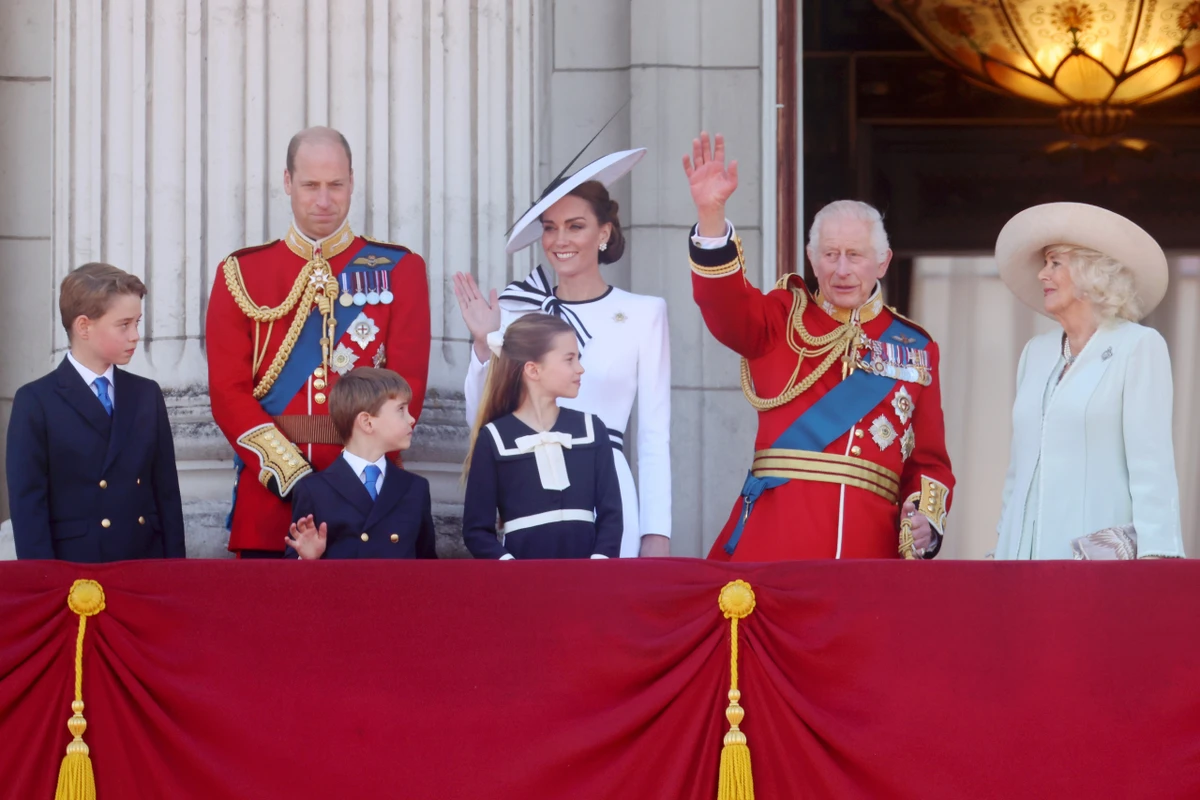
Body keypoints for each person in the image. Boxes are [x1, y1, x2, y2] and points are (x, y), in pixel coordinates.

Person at [683, 132, 954, 560]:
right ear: (811, 258)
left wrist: (926, 521)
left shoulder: (915, 347)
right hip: (776, 544)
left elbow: (930, 461)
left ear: (883, 261)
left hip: (870, 552)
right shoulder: (781, 318)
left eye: (855, 255)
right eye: (830, 255)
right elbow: (725, 305)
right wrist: (711, 216)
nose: (841, 270)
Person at [206, 126, 432, 558]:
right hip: (272, 503)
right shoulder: (241, 274)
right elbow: (227, 393)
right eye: (310, 185)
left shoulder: (398, 269)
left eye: (337, 185)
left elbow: (408, 385)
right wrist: (293, 475)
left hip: (370, 504)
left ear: (352, 181)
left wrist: (345, 479)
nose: (324, 200)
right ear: (287, 182)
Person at [453, 147, 671, 558]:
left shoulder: (645, 313)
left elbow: (655, 436)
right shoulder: (516, 310)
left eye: (575, 226)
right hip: (527, 488)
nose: (560, 240)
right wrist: (483, 345)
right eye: (550, 228)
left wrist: (656, 533)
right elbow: (480, 420)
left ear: (604, 232)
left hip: (608, 492)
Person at [992, 202, 1185, 560]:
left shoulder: (1138, 347)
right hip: (1020, 563)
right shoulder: (1036, 353)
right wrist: (1000, 550)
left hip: (1095, 565)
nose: (1042, 275)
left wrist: (1157, 559)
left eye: (1054, 263)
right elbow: (1017, 474)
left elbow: (1152, 468)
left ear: (1090, 272)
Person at [7, 262, 186, 561]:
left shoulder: (146, 394)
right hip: (76, 573)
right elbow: (29, 510)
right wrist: (46, 588)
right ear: (84, 326)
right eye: (124, 324)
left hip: (144, 565)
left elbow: (166, 496)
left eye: (137, 323)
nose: (135, 336)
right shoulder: (36, 401)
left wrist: (176, 576)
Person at [461, 314, 622, 560]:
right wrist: (510, 567)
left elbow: (612, 514)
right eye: (570, 359)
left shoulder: (592, 429)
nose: (580, 368)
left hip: (588, 581)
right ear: (533, 370)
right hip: (523, 584)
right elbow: (476, 530)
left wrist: (599, 563)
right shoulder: (494, 438)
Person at [284, 368, 436, 560]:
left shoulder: (415, 488)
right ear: (367, 422)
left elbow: (428, 566)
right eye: (401, 410)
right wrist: (307, 558)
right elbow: (289, 573)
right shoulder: (314, 490)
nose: (411, 419)